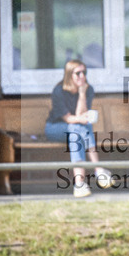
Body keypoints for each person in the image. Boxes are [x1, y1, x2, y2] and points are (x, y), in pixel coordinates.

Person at [45, 60, 111, 198]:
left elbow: (81, 115)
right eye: (78, 73)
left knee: (76, 133)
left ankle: (79, 184)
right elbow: (68, 119)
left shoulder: (88, 89)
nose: (82, 76)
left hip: (74, 131)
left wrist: (81, 94)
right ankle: (98, 169)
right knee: (78, 127)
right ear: (69, 75)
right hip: (55, 128)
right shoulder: (59, 91)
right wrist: (81, 119)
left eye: (84, 72)